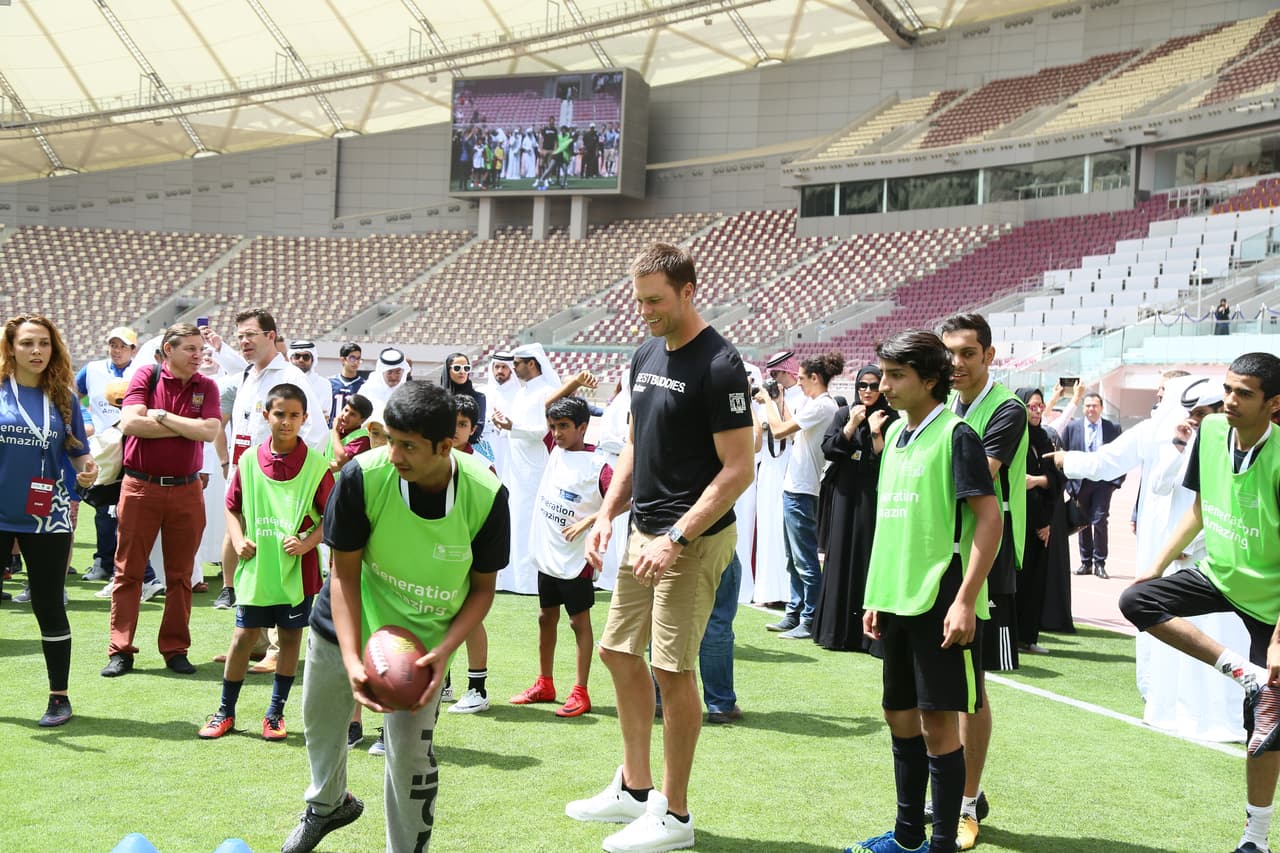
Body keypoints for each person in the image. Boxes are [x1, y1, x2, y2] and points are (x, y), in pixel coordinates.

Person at [566, 242, 754, 853]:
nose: (644, 311)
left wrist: (676, 537)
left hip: (691, 540)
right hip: (642, 531)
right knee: (618, 652)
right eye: (639, 300)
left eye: (655, 301)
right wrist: (607, 513)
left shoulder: (720, 364)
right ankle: (634, 787)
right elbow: (634, 442)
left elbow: (739, 469)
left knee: (671, 670)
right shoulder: (645, 352)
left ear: (687, 291)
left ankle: (674, 815)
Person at [282, 381, 509, 853]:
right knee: (321, 727)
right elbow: (343, 576)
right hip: (346, 621)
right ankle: (328, 805)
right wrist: (352, 660)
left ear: (444, 446)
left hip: (421, 645)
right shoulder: (362, 477)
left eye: (408, 446)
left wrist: (443, 653)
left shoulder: (486, 494)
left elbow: (483, 590)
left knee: (409, 757)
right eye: (390, 440)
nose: (394, 455)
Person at [846, 329, 1001, 853]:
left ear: (930, 380)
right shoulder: (894, 435)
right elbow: (892, 525)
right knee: (898, 715)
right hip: (896, 599)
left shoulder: (957, 435)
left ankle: (941, 844)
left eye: (896, 376)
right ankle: (909, 836)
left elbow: (989, 520)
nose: (884, 385)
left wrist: (965, 600)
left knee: (938, 724)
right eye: (884, 374)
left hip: (940, 600)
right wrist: (875, 595)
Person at [1118, 352, 1280, 853]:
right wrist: (1155, 566)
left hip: (1272, 600)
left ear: (1273, 404)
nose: (1230, 400)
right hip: (1220, 576)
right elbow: (1199, 508)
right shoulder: (1209, 432)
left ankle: (1254, 839)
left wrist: (1277, 641)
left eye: (1244, 394)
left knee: (1265, 730)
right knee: (1136, 600)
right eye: (1228, 389)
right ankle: (1247, 675)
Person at [199, 383, 334, 742]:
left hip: (296, 572)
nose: (286, 421)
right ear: (266, 415)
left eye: (294, 415)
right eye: (279, 414)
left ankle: (275, 714)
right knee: (243, 637)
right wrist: (238, 538)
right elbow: (232, 507)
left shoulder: (317, 466)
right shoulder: (247, 460)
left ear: (305, 418)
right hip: (257, 570)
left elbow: (331, 517)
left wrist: (307, 543)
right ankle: (224, 712)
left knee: (289, 639)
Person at [939, 312, 1028, 850]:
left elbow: (976, 478)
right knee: (944, 684)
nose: (956, 363)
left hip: (986, 563)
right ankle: (955, 792)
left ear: (989, 356)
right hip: (942, 556)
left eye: (967, 353)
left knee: (971, 689)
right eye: (948, 353)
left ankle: (967, 803)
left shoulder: (1007, 409)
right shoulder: (946, 404)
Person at [102, 323, 221, 678]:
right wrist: (188, 426)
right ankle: (120, 649)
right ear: (169, 350)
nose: (198, 355)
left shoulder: (207, 386)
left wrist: (163, 416)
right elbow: (131, 424)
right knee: (128, 572)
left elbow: (210, 431)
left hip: (187, 490)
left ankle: (175, 649)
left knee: (181, 575)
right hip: (141, 486)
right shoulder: (146, 375)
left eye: (200, 348)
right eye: (190, 348)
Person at [0, 314, 97, 726]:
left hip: (46, 515)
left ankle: (59, 697)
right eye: (26, 343)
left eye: (43, 343)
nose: (36, 351)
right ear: (11, 348)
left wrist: (88, 469)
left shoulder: (63, 397)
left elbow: (79, 453)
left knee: (49, 605)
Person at [216, 309, 329, 611]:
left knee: (278, 552)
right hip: (246, 474)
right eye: (240, 336)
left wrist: (293, 476)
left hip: (279, 484)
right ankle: (243, 614)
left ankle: (276, 633)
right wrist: (231, 467)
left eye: (250, 335)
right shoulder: (248, 376)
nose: (244, 341)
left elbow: (316, 432)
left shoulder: (290, 377)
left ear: (270, 336)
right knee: (245, 546)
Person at [509, 396, 611, 718]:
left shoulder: (599, 465)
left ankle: (580, 691)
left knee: (578, 621)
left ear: (583, 427)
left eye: (564, 426)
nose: (556, 433)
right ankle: (545, 684)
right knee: (545, 617)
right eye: (553, 426)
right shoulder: (554, 448)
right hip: (548, 554)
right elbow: (546, 406)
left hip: (576, 559)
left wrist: (590, 520)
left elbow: (626, 497)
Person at [757, 351, 845, 640]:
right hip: (795, 486)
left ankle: (809, 618)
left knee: (804, 559)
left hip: (803, 488)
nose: (799, 384)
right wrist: (778, 401)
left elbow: (780, 431)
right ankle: (795, 613)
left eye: (804, 379)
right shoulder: (814, 404)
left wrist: (768, 401)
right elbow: (791, 428)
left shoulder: (822, 406)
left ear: (815, 378)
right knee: (792, 558)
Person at [812, 364, 896, 652]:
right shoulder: (844, 413)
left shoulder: (891, 417)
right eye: (863, 385)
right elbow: (829, 449)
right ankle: (835, 632)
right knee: (839, 554)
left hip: (873, 497)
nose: (868, 391)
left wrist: (875, 432)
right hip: (844, 494)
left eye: (873, 385)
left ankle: (866, 635)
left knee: (866, 554)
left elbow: (888, 461)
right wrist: (851, 425)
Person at [490, 343, 559, 595]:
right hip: (515, 465)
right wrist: (504, 425)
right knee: (515, 519)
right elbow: (516, 427)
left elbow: (543, 431)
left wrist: (513, 427)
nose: (514, 368)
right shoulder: (522, 393)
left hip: (534, 468)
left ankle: (530, 582)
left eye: (517, 363)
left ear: (532, 363)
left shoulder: (547, 392)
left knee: (528, 520)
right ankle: (513, 580)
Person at [76, 325, 141, 582]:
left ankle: (127, 566)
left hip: (135, 446)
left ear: (133, 349)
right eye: (113, 345)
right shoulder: (92, 369)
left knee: (131, 508)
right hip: (103, 448)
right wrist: (84, 419)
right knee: (103, 506)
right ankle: (103, 562)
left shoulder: (142, 370)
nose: (117, 350)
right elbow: (70, 397)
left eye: (123, 346)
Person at [1013, 388, 1063, 656]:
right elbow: (1019, 484)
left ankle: (1027, 637)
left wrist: (1039, 480)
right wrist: (1040, 523)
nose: (1037, 412)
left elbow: (1057, 477)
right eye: (1031, 407)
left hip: (1044, 520)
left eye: (1040, 406)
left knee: (1036, 581)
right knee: (1019, 581)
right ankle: (1013, 637)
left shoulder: (1045, 439)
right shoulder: (1015, 438)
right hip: (1023, 521)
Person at [754, 351, 804, 607]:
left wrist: (777, 402)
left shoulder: (802, 397)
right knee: (767, 527)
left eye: (777, 374)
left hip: (791, 465)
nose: (775, 380)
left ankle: (788, 593)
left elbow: (787, 432)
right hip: (769, 466)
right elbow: (760, 432)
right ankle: (769, 591)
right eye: (772, 375)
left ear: (788, 372)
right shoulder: (767, 399)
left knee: (785, 529)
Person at [1061, 392, 1123, 579]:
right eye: (1088, 406)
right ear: (1083, 408)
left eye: (1095, 406)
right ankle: (1086, 562)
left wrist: (1116, 482)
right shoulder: (1072, 428)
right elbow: (1063, 453)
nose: (1091, 409)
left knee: (1100, 520)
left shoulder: (1112, 428)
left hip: (1103, 482)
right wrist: (1069, 485)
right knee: (1083, 522)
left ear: (1101, 408)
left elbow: (1121, 455)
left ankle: (1100, 563)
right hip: (1080, 482)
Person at [440, 352, 492, 463]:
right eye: (457, 368)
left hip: (470, 453)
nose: (462, 372)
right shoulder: (437, 397)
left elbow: (477, 430)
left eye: (466, 368)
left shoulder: (478, 397)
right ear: (448, 370)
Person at [288, 340, 334, 427]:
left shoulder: (324, 384)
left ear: (313, 360)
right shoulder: (283, 380)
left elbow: (323, 417)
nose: (301, 360)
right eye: (297, 356)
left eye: (306, 357)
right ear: (290, 359)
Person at [325, 394, 372, 475]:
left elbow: (341, 461)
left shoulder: (362, 438)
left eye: (352, 414)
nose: (346, 415)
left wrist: (335, 432)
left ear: (362, 421)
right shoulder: (331, 432)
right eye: (346, 410)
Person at [328, 342, 365, 423]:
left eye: (358, 358)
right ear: (343, 359)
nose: (356, 362)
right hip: (332, 428)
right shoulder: (329, 382)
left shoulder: (364, 385)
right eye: (352, 358)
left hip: (354, 429)